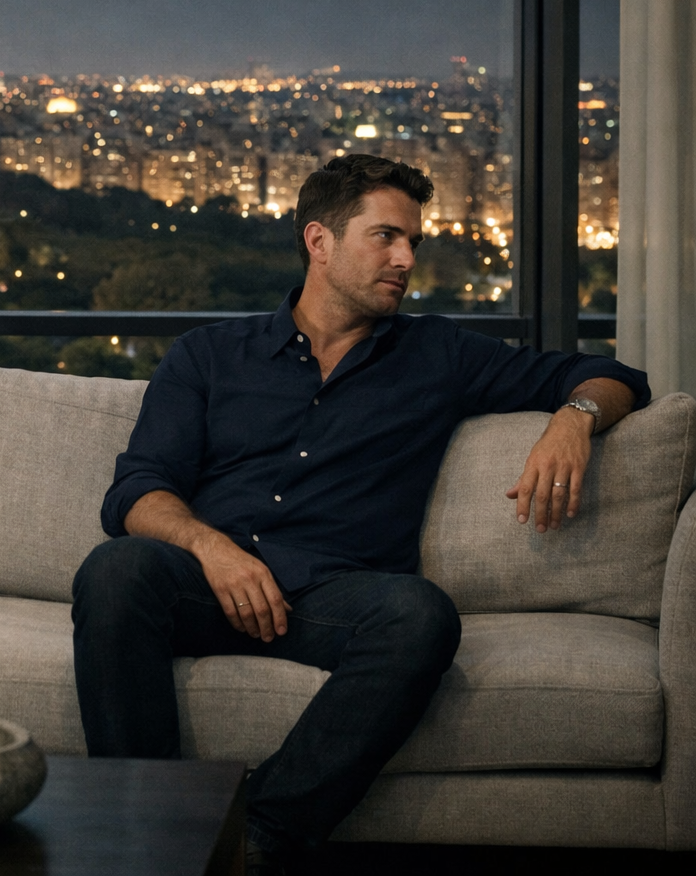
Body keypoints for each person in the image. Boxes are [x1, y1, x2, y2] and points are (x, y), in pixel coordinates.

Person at [71, 154, 650, 874]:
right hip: (211, 583)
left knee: (421, 615)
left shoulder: (437, 354)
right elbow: (135, 492)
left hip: (336, 596)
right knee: (116, 570)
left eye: (413, 242)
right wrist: (213, 549)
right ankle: (143, 829)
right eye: (386, 237)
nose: (406, 259)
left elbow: (616, 377)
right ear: (320, 241)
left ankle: (257, 838)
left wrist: (574, 419)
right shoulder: (209, 355)